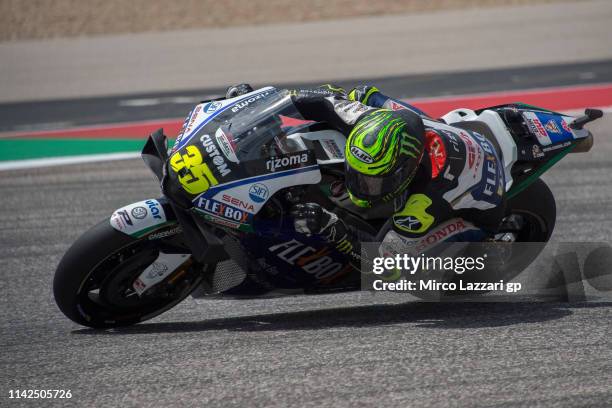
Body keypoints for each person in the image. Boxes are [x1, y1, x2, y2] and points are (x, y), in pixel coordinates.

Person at [226, 83, 506, 267]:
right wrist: (253, 105)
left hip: (480, 199)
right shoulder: (364, 118)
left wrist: (332, 227)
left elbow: (379, 264)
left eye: (373, 181)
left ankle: (484, 248)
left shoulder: (426, 202)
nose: (361, 186)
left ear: (404, 172)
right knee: (360, 95)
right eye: (358, 174)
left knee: (401, 270)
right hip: (431, 131)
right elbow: (308, 99)